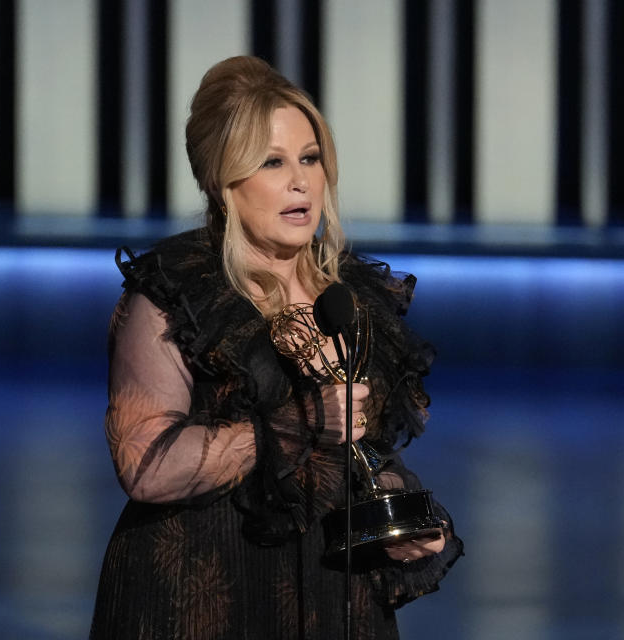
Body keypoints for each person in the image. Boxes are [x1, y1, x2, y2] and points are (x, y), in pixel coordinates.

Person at [90, 56, 463, 639]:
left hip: (331, 596)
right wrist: (300, 422)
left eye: (310, 159)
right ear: (222, 179)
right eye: (272, 162)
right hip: (201, 593)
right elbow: (146, 468)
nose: (301, 181)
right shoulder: (179, 293)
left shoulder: (350, 296)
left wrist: (402, 514)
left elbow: (359, 451)